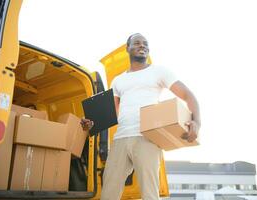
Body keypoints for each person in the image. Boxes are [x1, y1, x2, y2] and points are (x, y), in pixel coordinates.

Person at [82, 33, 201, 200]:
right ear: (127, 48)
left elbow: (188, 95)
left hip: (147, 138)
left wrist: (196, 121)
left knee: (150, 195)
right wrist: (92, 124)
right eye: (137, 43)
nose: (142, 46)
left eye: (145, 43)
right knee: (108, 193)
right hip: (120, 140)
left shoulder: (159, 71)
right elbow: (111, 114)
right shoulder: (118, 80)